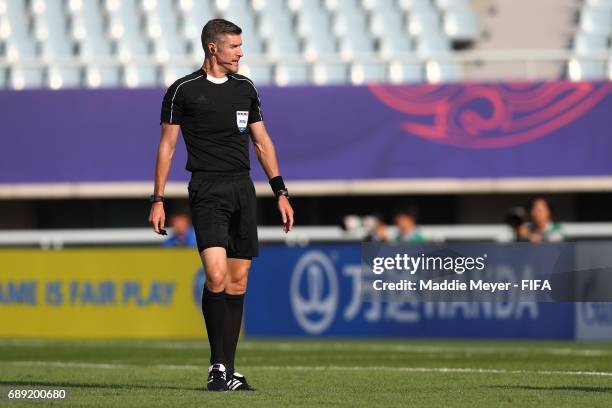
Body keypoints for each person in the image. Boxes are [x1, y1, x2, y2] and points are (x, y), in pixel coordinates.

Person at [148, 19, 294, 392]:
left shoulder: (246, 89)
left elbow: (262, 142)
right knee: (215, 276)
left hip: (242, 190)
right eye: (234, 47)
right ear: (213, 48)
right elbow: (167, 146)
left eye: (240, 47)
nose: (240, 53)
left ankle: (228, 370)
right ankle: (217, 366)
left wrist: (280, 191)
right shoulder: (182, 90)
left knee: (238, 281)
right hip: (207, 190)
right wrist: (158, 198)